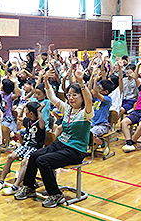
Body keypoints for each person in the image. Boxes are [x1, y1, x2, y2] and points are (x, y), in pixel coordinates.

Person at [14, 66, 93, 208]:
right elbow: (52, 96)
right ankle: (29, 187)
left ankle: (56, 194)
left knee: (43, 161)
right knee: (34, 156)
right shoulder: (67, 109)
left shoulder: (86, 113)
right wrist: (45, 80)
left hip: (75, 151)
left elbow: (89, 100)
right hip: (60, 145)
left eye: (75, 95)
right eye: (69, 94)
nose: (71, 97)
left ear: (81, 97)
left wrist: (81, 82)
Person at [0, 101, 46, 195]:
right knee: (10, 157)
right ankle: (1, 181)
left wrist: (39, 112)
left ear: (31, 113)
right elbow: (19, 118)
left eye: (26, 110)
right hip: (26, 146)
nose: (25, 111)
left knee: (25, 162)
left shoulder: (40, 122)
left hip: (35, 148)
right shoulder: (27, 120)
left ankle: (15, 186)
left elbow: (42, 125)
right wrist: (23, 107)